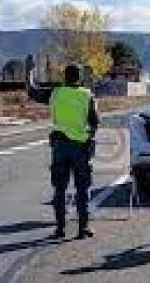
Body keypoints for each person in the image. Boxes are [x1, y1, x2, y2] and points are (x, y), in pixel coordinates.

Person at [25, 55, 99, 239]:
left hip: (59, 146)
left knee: (59, 189)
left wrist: (30, 71)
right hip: (80, 148)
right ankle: (83, 228)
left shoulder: (55, 93)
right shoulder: (87, 95)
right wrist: (89, 138)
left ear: (64, 77)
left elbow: (32, 91)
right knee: (82, 188)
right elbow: (95, 122)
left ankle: (60, 229)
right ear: (80, 78)